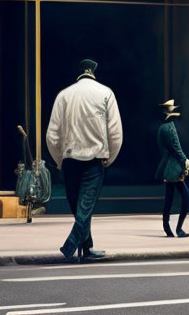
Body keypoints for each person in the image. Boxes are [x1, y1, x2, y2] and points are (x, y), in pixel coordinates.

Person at [46, 58, 123, 263]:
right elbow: (115, 132)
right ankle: (75, 243)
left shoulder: (64, 95)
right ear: (93, 72)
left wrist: (59, 160)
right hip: (95, 160)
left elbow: (52, 135)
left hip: (70, 160)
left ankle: (84, 247)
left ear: (79, 72)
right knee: (85, 207)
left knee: (78, 205)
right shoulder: (106, 93)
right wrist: (110, 157)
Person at [155, 99, 189, 238]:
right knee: (186, 197)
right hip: (174, 167)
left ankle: (168, 227)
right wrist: (185, 160)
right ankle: (178, 228)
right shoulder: (169, 127)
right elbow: (176, 148)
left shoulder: (162, 128)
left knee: (169, 198)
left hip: (168, 167)